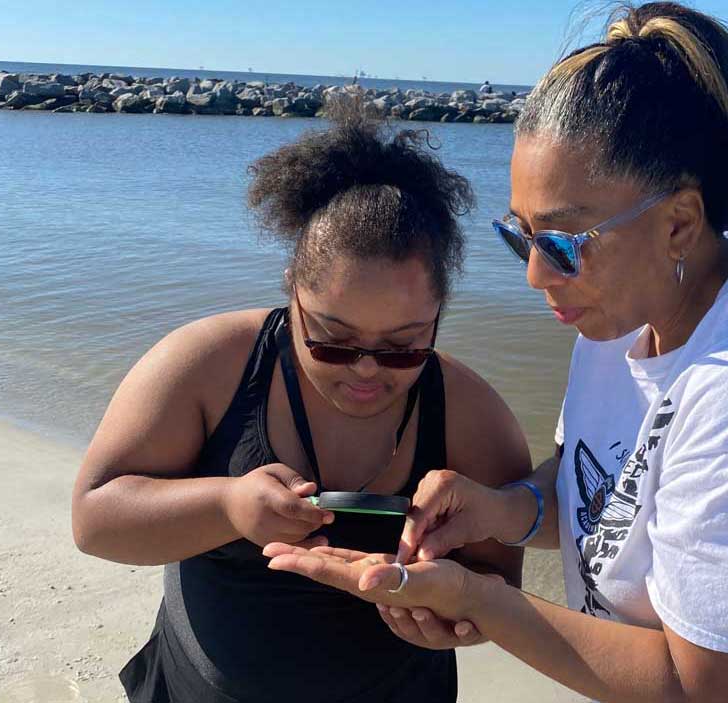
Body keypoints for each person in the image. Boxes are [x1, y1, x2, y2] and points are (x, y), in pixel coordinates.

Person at [265, 3, 728, 702]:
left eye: (560, 244)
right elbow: (604, 488)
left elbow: (701, 690)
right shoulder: (623, 316)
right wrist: (503, 507)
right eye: (520, 236)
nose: (535, 274)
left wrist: (480, 598)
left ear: (678, 224)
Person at [71, 100, 531, 702]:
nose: (367, 369)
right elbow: (94, 520)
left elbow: (496, 589)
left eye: (403, 346)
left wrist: (452, 617)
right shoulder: (207, 365)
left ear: (438, 316)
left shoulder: (473, 417)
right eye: (333, 341)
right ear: (292, 293)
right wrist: (228, 505)